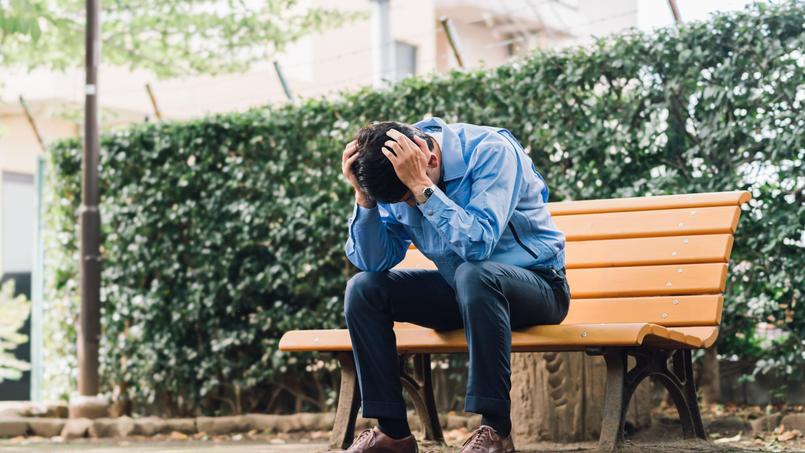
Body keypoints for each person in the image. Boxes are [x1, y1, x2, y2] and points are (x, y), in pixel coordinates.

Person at [339, 117, 570, 453]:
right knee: (364, 289)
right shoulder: (395, 169)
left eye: (406, 198)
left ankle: (496, 432)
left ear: (429, 159)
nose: (408, 205)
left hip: (539, 287)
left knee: (473, 274)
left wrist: (421, 189)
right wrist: (364, 198)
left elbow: (478, 245)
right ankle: (392, 434)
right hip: (466, 291)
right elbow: (375, 261)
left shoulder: (491, 151)